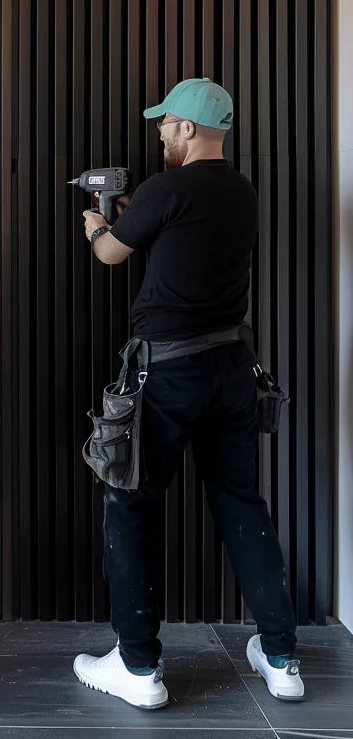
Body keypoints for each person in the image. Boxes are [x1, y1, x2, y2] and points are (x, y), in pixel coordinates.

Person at [74, 78, 303, 710]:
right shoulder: (240, 192)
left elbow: (113, 256)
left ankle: (139, 668)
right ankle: (282, 658)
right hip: (232, 367)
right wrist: (136, 217)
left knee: (132, 504)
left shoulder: (167, 188)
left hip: (166, 374)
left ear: (191, 129)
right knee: (240, 502)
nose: (160, 132)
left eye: (167, 123)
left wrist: (98, 225)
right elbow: (180, 242)